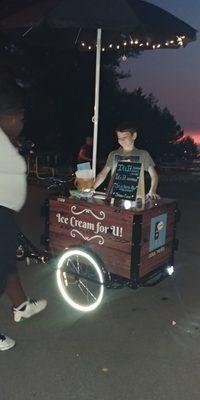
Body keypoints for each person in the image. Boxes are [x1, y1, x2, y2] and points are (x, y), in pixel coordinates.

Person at [0, 89, 47, 351]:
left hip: (4, 211)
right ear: (5, 117)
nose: (21, 123)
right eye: (18, 119)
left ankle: (21, 306)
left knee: (6, 262)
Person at [93, 124, 159, 199]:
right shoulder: (113, 154)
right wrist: (92, 188)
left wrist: (152, 191)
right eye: (119, 138)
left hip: (135, 198)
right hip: (113, 197)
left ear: (134, 136)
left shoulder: (143, 154)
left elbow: (154, 175)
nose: (121, 141)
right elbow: (103, 174)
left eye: (124, 137)